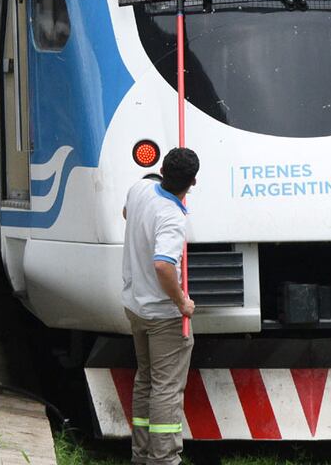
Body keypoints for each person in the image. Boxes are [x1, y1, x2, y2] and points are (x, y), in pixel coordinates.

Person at [122, 148, 198, 465]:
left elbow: (127, 213)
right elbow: (164, 265)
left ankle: (141, 454)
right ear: (193, 182)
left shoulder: (140, 188)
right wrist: (182, 302)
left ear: (162, 168)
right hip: (164, 315)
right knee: (166, 389)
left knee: (146, 381)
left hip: (135, 307)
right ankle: (165, 458)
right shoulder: (172, 217)